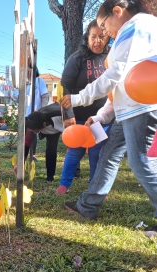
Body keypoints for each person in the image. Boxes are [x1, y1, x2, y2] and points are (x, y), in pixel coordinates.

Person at [59, 0, 157, 225]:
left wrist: (78, 98)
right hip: (129, 110)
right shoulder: (131, 30)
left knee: (141, 162)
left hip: (142, 108)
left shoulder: (136, 27)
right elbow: (120, 87)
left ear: (117, 11)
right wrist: (102, 116)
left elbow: (114, 75)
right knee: (108, 156)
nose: (104, 32)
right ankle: (87, 206)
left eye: (104, 26)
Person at [55, 20, 112, 194]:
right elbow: (64, 86)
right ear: (87, 38)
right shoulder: (77, 58)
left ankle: (94, 187)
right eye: (93, 37)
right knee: (75, 152)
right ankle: (64, 185)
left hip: (99, 117)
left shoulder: (112, 57)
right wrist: (68, 114)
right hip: (78, 116)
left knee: (97, 153)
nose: (97, 41)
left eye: (102, 37)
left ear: (108, 37)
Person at [14, 102, 63, 182]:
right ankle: (49, 177)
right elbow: (26, 145)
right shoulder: (32, 122)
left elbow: (71, 130)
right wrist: (19, 163)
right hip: (48, 127)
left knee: (52, 150)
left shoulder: (58, 116)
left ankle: (51, 176)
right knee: (49, 149)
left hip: (58, 127)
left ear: (43, 124)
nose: (33, 131)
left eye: (35, 131)